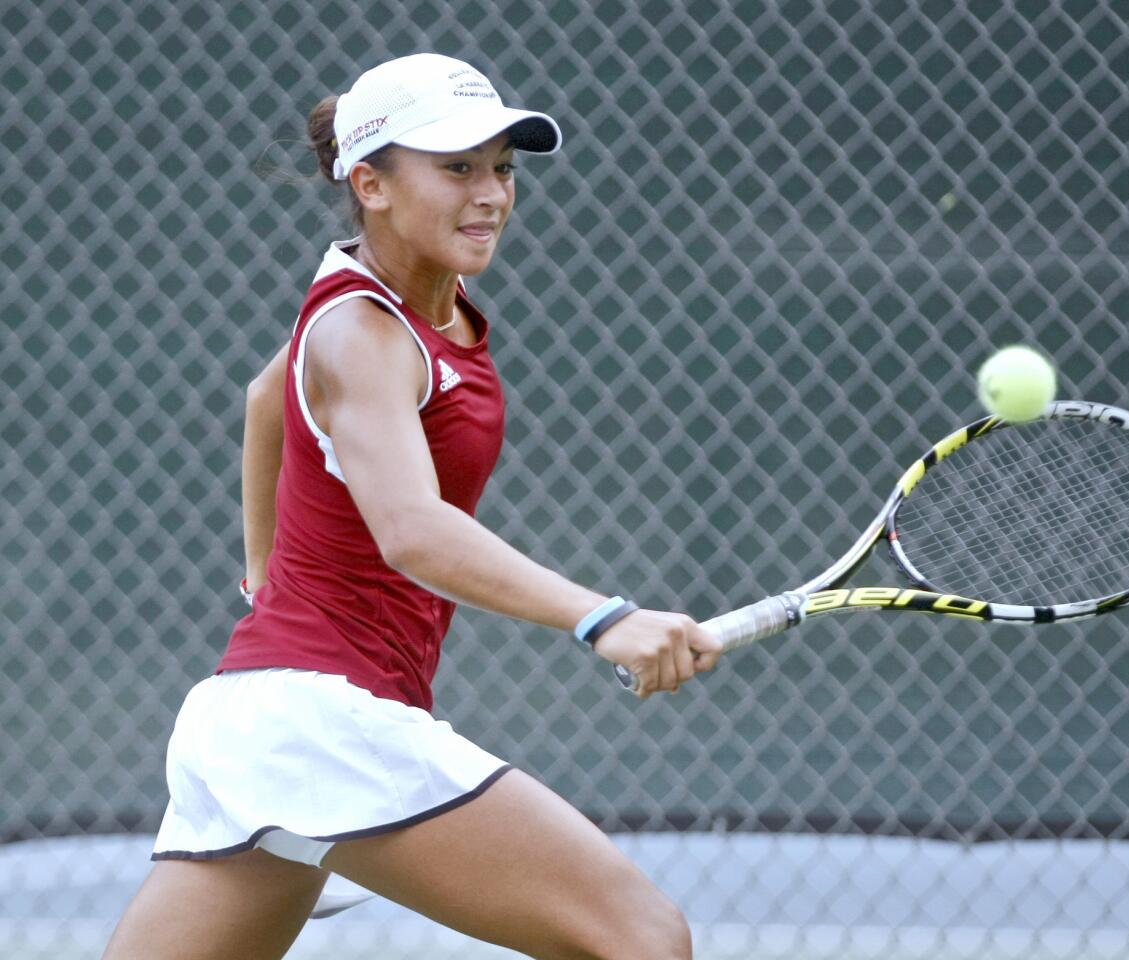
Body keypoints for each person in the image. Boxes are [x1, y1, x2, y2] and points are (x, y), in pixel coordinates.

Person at [102, 53, 722, 960]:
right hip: (320, 720)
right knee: (640, 936)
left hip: (267, 714)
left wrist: (264, 582)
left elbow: (264, 399)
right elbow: (413, 531)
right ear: (371, 184)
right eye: (456, 167)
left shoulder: (419, 305)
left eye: (502, 168)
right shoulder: (363, 330)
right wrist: (603, 617)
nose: (491, 195)